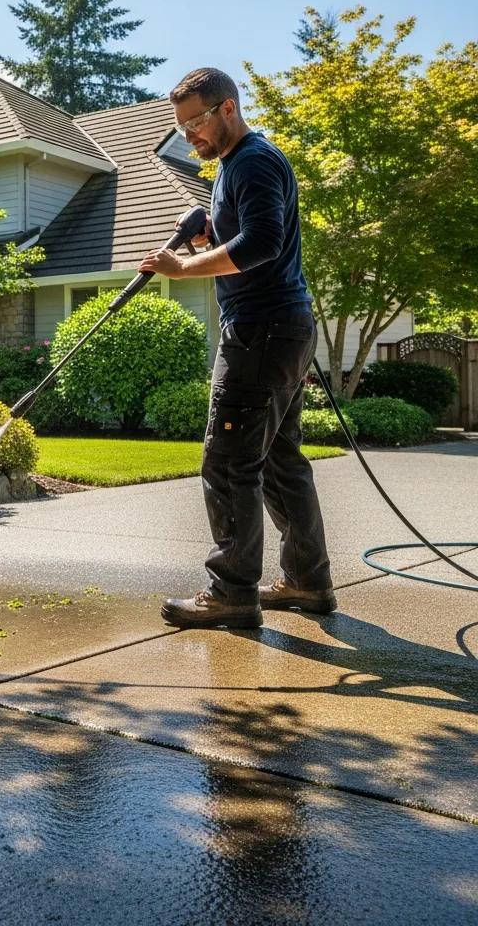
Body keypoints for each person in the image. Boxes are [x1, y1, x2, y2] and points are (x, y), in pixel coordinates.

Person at [138, 67, 336, 629]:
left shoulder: (251, 160)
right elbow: (248, 240)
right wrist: (212, 238)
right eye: (182, 128)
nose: (190, 136)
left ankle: (231, 592)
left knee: (228, 461)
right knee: (279, 461)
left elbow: (263, 244)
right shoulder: (234, 166)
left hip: (261, 331)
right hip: (281, 329)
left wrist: (184, 267)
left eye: (196, 122)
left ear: (228, 108)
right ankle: (306, 582)